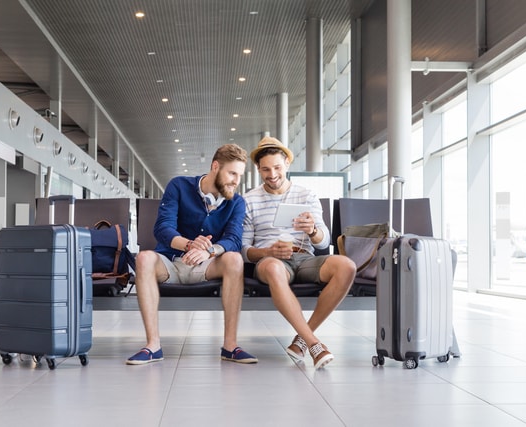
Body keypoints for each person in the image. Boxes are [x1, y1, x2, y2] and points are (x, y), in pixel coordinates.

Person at [127, 143, 257, 365]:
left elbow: (234, 239)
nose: (236, 181)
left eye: (240, 175)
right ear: (215, 166)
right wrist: (189, 245)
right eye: (232, 173)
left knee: (234, 259)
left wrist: (209, 251)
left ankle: (230, 345)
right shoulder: (179, 186)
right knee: (144, 258)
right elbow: (162, 228)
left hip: (207, 266)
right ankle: (153, 345)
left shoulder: (236, 202)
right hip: (171, 263)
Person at [241, 136, 356, 369]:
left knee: (347, 266)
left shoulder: (306, 195)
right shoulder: (248, 200)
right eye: (265, 170)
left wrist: (313, 230)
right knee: (273, 267)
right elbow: (244, 251)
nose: (272, 174)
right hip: (270, 261)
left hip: (304, 257)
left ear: (287, 165)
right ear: (258, 169)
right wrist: (267, 251)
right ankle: (313, 343)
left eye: (277, 168)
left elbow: (323, 241)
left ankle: (301, 340)